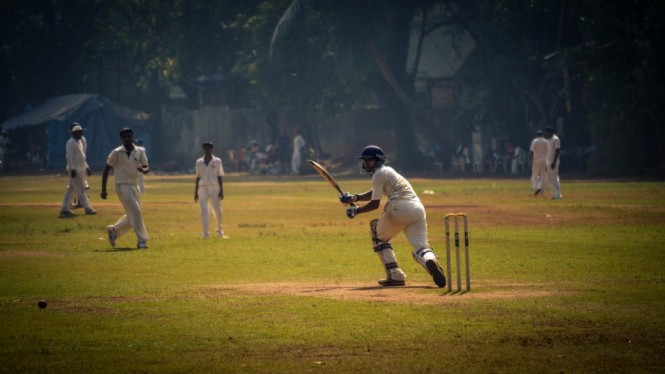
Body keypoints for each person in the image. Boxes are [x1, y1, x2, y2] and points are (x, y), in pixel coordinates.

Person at [339, 145, 446, 288]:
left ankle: (395, 275)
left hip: (398, 207)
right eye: (364, 161)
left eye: (369, 160)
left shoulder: (378, 174)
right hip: (417, 209)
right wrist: (355, 198)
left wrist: (356, 211)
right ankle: (430, 260)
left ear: (378, 160)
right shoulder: (388, 172)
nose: (365, 164)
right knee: (421, 247)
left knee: (379, 237)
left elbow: (375, 204)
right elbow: (375, 192)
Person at [100, 128, 150, 249]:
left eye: (129, 136)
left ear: (133, 137)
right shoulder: (116, 152)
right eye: (124, 137)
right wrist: (103, 189)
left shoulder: (140, 151)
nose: (127, 139)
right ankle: (141, 241)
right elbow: (106, 169)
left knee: (131, 214)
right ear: (121, 139)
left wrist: (143, 170)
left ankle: (114, 230)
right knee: (136, 212)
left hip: (134, 186)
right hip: (122, 186)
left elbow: (146, 168)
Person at [59, 124, 96, 217]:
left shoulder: (79, 142)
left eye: (81, 132)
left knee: (71, 189)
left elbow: (81, 158)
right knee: (81, 189)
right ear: (73, 133)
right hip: (75, 170)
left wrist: (86, 167)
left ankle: (64, 209)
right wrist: (72, 169)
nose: (80, 134)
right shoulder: (71, 143)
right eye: (78, 133)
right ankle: (88, 208)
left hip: (80, 169)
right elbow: (69, 157)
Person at [194, 142, 227, 239]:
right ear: (203, 150)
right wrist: (195, 192)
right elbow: (198, 177)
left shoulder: (217, 161)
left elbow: (220, 176)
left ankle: (220, 232)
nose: (207, 150)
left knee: (217, 210)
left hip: (214, 187)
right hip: (202, 188)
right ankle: (205, 234)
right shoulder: (199, 162)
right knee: (204, 211)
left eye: (209, 149)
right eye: (205, 149)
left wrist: (221, 190)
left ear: (212, 150)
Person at [70, 123, 89, 208]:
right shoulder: (73, 141)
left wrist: (85, 165)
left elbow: (82, 154)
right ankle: (77, 201)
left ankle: (82, 201)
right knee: (74, 185)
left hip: (80, 165)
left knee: (82, 183)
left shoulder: (82, 140)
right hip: (75, 165)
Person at [544, 126, 563, 200]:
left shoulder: (556, 139)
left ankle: (557, 195)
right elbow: (548, 152)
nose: (545, 133)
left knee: (554, 178)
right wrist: (546, 163)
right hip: (549, 161)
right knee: (550, 178)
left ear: (549, 132)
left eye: (546, 132)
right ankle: (555, 194)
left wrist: (554, 162)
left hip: (554, 161)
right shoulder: (549, 140)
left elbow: (558, 151)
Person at [529, 130, 549, 195]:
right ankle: (542, 191)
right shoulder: (546, 141)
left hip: (536, 160)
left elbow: (531, 152)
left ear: (536, 135)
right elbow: (549, 151)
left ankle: (536, 188)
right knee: (543, 175)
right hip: (545, 160)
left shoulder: (535, 141)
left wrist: (530, 160)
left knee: (535, 175)